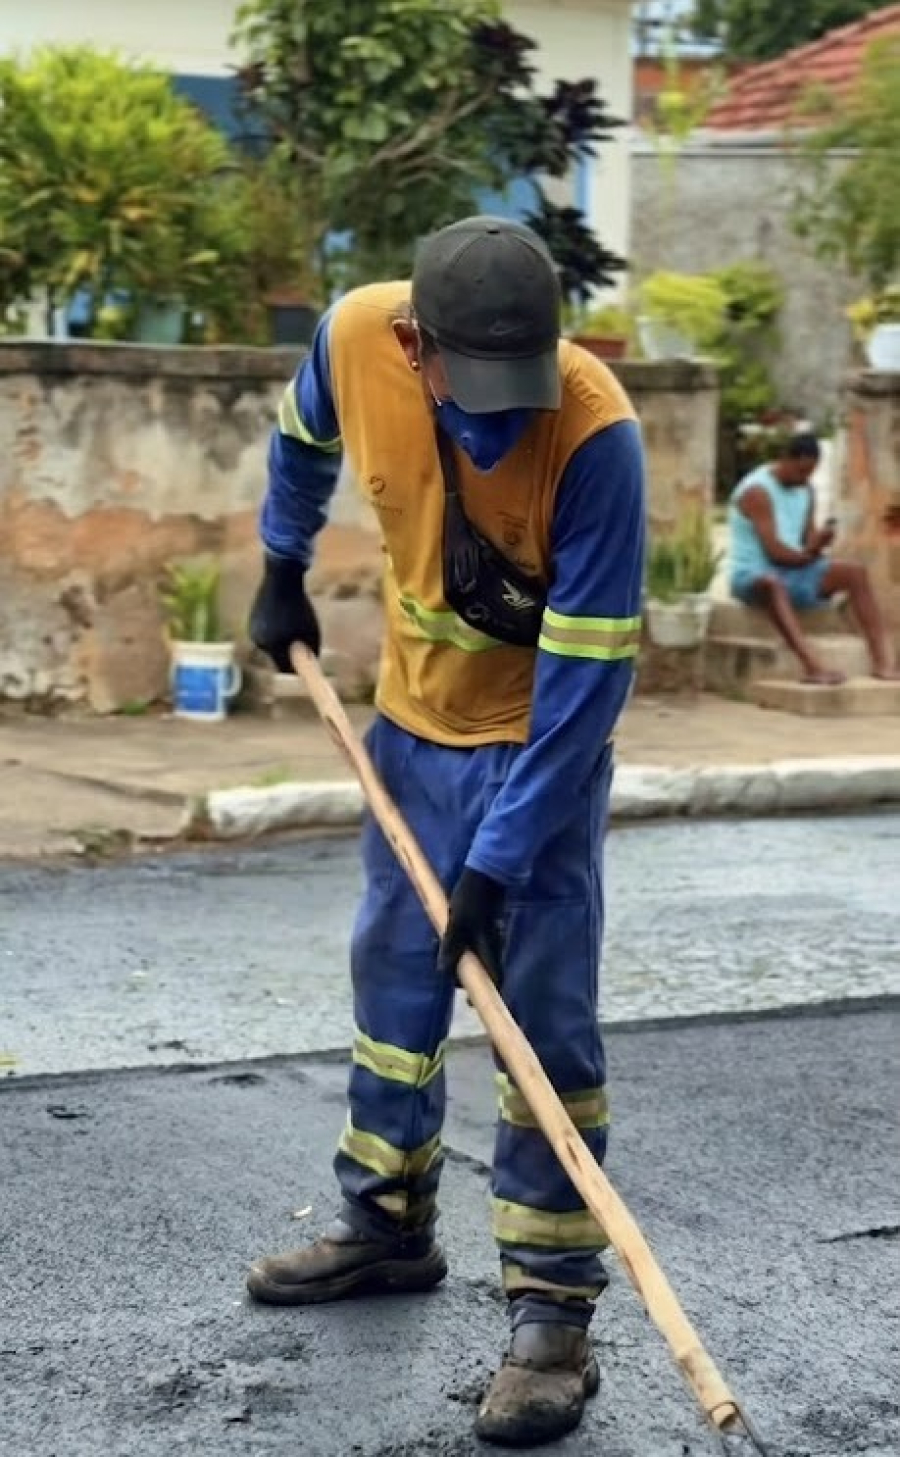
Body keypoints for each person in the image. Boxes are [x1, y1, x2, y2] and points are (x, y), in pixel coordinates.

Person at [246, 215, 646, 1448]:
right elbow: (301, 437)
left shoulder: (595, 438)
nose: (502, 418)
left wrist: (498, 859)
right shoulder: (354, 337)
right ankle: (384, 1224)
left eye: (519, 388)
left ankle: (552, 1316)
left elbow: (585, 690)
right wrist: (279, 561)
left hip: (539, 755)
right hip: (412, 736)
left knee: (541, 1028)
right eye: (476, 388)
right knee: (395, 992)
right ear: (416, 347)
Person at [728, 432, 899, 683]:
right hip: (754, 574)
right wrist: (809, 555)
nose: (804, 478)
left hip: (794, 568)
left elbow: (806, 540)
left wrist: (819, 542)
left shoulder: (806, 490)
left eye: (809, 473)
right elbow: (775, 552)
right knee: (772, 582)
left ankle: (883, 663)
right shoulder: (757, 491)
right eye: (800, 471)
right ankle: (812, 667)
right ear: (785, 459)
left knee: (855, 573)